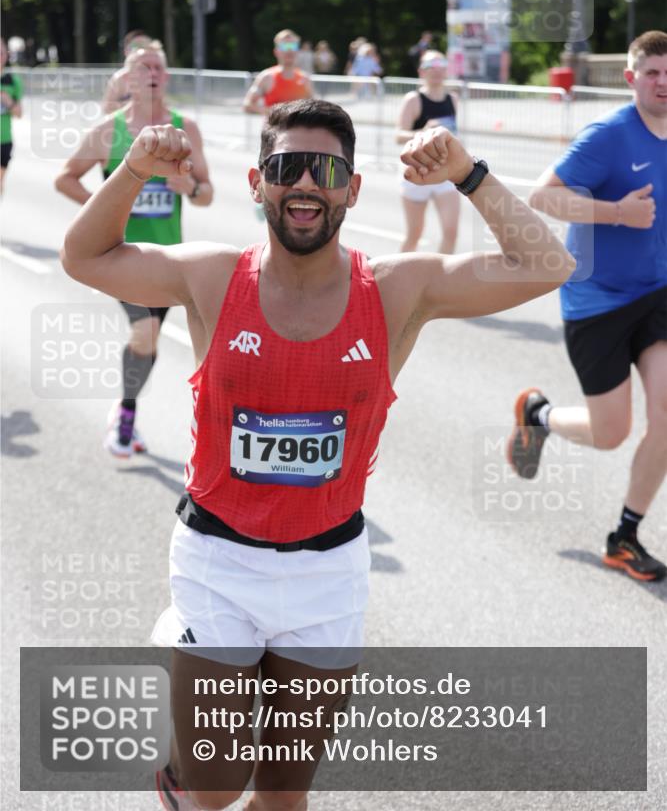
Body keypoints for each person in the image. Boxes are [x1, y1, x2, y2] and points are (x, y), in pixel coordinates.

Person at [60, 96, 572, 810]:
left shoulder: (397, 289)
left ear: (351, 189)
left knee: (282, 794)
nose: (305, 183)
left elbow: (548, 266)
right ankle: (181, 770)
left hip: (327, 578)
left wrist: (467, 172)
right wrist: (131, 170)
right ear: (258, 181)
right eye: (287, 167)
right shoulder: (211, 275)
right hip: (217, 565)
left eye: (324, 168)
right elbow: (84, 256)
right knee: (214, 791)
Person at [507, 29, 667, 582]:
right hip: (595, 299)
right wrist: (618, 214)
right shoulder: (609, 135)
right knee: (611, 433)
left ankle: (624, 537)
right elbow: (542, 196)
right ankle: (540, 417)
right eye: (652, 73)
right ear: (631, 79)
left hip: (656, 294)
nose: (663, 82)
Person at [55, 43, 213, 457]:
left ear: (167, 76)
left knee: (157, 342)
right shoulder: (110, 130)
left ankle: (135, 408)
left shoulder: (185, 128)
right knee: (144, 333)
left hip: (169, 260)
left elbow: (207, 193)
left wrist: (191, 187)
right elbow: (66, 178)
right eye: (143, 66)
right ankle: (125, 417)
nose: (152, 72)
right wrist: (105, 211)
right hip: (121, 256)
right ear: (129, 79)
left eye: (158, 66)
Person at [395, 50, 460, 253]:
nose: (436, 71)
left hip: (444, 171)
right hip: (416, 171)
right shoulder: (414, 99)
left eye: (440, 66)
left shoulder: (453, 99)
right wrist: (422, 132)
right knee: (415, 234)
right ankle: (397, 279)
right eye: (430, 67)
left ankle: (442, 280)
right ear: (421, 72)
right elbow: (398, 135)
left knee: (451, 232)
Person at [244, 29, 314, 118]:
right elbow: (247, 104)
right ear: (276, 51)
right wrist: (276, 113)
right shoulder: (267, 77)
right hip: (273, 131)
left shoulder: (305, 79)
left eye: (293, 46)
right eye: (284, 46)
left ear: (297, 51)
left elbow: (314, 108)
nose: (289, 50)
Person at [101, 30, 155, 114]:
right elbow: (107, 109)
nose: (141, 50)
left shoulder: (156, 75)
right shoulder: (119, 78)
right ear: (126, 51)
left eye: (146, 46)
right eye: (136, 46)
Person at [0, 36, 23, 196]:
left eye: (1, 53)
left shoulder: (12, 81)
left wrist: (8, 102)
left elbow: (19, 114)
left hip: (4, 140)